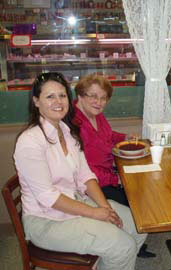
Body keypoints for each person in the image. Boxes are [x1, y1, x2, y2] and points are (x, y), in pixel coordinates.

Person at [13, 72, 147, 270]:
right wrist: (94, 213)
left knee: (138, 227)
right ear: (36, 101)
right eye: (50, 96)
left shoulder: (67, 133)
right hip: (47, 221)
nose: (58, 101)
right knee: (123, 247)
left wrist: (105, 208)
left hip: (76, 202)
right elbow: (48, 197)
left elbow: (86, 175)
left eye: (62, 95)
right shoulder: (30, 141)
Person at [73, 73, 155, 258]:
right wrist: (116, 179)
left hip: (107, 174)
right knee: (135, 199)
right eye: (93, 96)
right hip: (91, 186)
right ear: (80, 96)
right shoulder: (75, 125)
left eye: (103, 98)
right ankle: (130, 244)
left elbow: (108, 135)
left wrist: (124, 137)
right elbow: (85, 171)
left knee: (140, 190)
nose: (98, 102)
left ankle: (135, 241)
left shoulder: (96, 115)